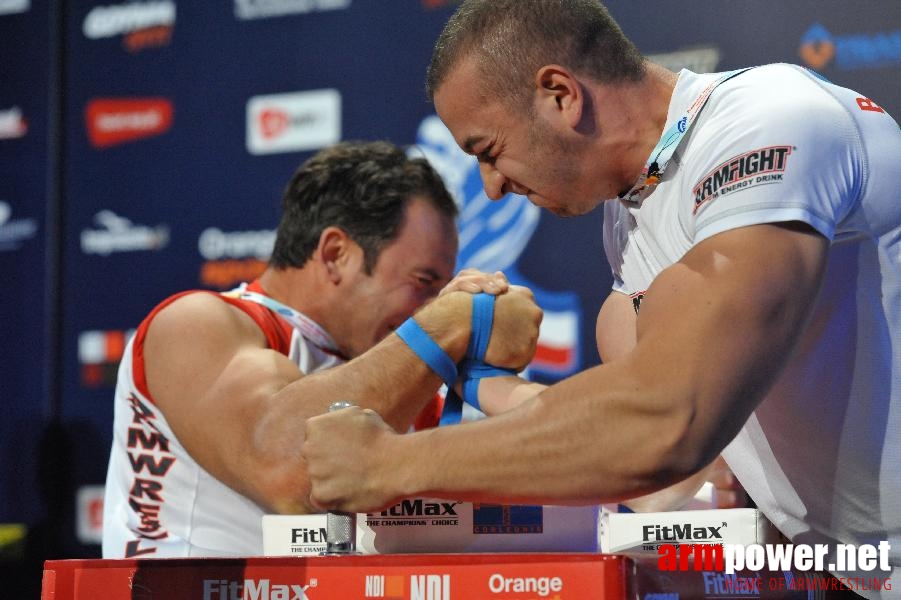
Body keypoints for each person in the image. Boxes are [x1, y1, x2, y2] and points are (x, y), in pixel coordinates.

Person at [301, 1, 901, 594]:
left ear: (561, 94)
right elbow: (646, 439)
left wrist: (390, 465)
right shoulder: (631, 210)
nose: (491, 187)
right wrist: (480, 380)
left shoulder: (769, 122)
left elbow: (665, 424)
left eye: (488, 151)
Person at [101, 140, 543, 558]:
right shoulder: (196, 325)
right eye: (424, 283)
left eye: (441, 291)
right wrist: (452, 322)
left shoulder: (405, 362)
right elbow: (292, 471)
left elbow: (545, 463)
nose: (430, 306)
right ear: (335, 254)